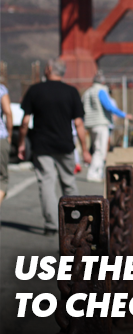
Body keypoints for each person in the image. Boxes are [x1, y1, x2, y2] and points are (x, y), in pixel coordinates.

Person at [18, 59, 92, 235]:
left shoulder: (35, 90)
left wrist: (21, 143)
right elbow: (79, 123)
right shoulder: (71, 92)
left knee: (46, 183)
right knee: (69, 183)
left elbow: (25, 121)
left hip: (41, 145)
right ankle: (74, 222)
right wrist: (85, 149)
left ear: (49, 69)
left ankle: (51, 225)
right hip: (65, 144)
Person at [81, 71, 132, 182]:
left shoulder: (87, 92)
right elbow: (109, 107)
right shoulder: (101, 90)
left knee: (95, 148)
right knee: (100, 150)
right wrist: (124, 115)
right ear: (103, 81)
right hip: (100, 123)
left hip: (89, 124)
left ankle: (98, 173)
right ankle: (93, 173)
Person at [0, 82, 12, 210]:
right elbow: (7, 112)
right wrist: (9, 134)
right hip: (0, 136)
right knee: (2, 179)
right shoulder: (1, 89)